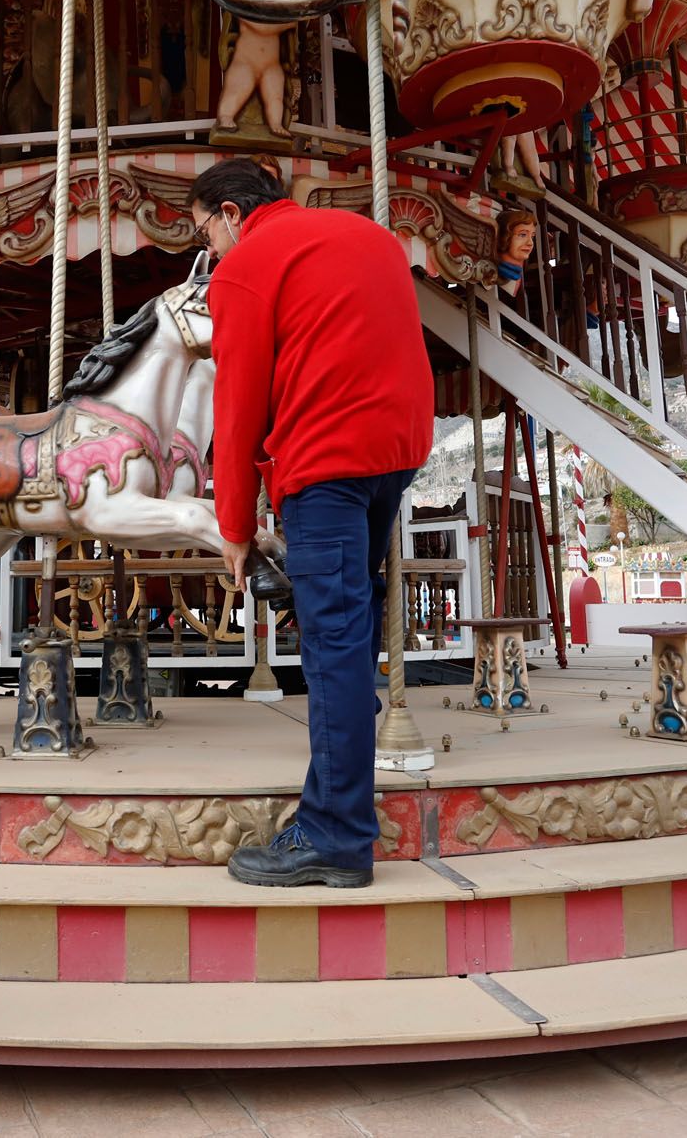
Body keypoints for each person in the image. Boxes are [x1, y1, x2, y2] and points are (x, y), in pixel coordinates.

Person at [196, 158, 433, 888]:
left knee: (332, 642)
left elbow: (236, 407)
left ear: (233, 214)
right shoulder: (369, 234)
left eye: (205, 232)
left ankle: (334, 834)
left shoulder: (242, 268)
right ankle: (339, 808)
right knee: (352, 632)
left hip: (326, 460)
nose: (208, 252)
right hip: (394, 452)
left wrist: (232, 525)